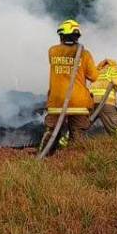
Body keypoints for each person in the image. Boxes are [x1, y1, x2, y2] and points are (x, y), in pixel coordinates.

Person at [41, 19, 98, 152]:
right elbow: (94, 77)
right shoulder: (85, 54)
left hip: (57, 102)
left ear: (61, 36)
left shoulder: (53, 51)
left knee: (51, 133)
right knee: (78, 137)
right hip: (79, 103)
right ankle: (75, 160)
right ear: (77, 36)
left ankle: (45, 157)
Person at [89, 59, 117, 136]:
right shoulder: (115, 69)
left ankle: (65, 142)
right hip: (106, 103)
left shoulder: (97, 70)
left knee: (80, 126)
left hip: (90, 102)